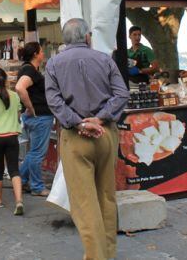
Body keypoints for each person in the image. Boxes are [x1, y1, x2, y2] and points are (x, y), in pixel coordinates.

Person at [45, 18, 130, 260]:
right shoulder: (105, 59)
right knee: (106, 196)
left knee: (85, 203)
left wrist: (79, 122)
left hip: (75, 136)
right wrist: (100, 119)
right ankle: (108, 253)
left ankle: (96, 256)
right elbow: (121, 94)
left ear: (64, 39)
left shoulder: (53, 63)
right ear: (87, 37)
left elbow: (54, 101)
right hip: (105, 135)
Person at [15, 42, 53, 197]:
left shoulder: (28, 69)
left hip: (36, 117)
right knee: (37, 153)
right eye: (42, 51)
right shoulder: (29, 70)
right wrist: (30, 108)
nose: (43, 54)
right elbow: (19, 87)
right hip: (39, 117)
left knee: (33, 152)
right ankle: (37, 186)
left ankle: (22, 179)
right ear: (36, 54)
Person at [0, 67, 24, 215]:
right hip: (12, 136)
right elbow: (19, 115)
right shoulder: (14, 96)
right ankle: (19, 201)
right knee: (14, 169)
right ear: (6, 80)